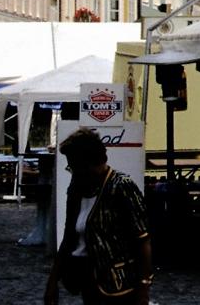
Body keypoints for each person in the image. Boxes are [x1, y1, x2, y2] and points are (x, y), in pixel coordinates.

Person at [44, 129, 151, 305]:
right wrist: (52, 282)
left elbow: (142, 240)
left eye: (75, 166)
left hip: (118, 285)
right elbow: (69, 237)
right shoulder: (76, 189)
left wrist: (144, 286)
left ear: (89, 164)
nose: (73, 172)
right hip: (86, 279)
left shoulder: (121, 187)